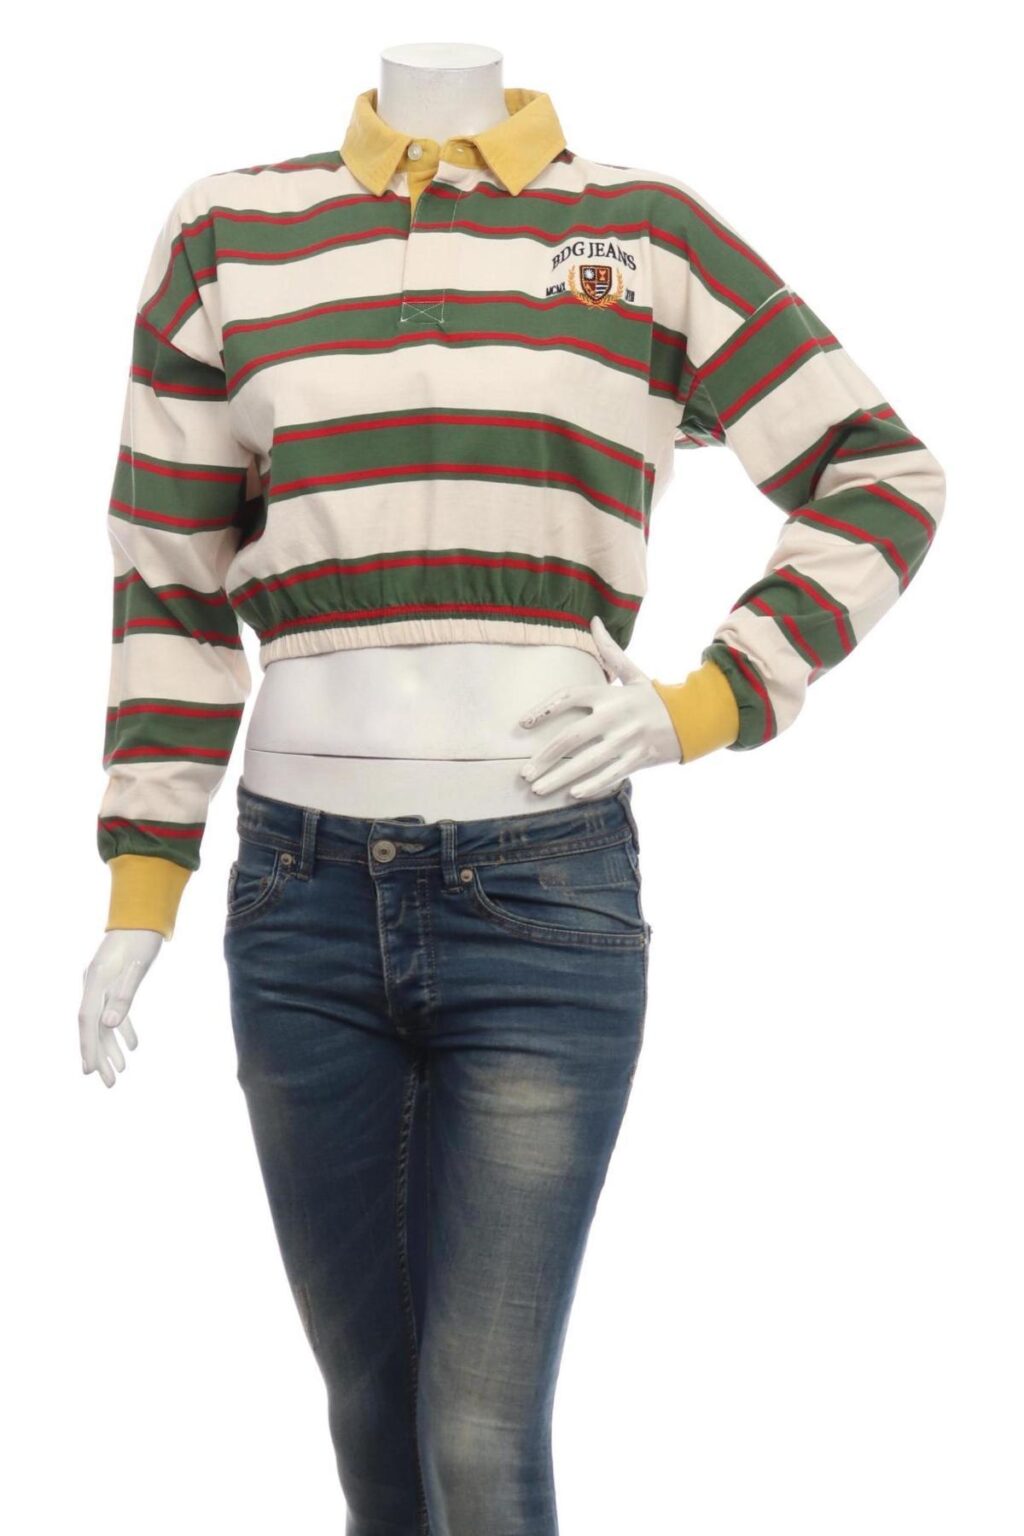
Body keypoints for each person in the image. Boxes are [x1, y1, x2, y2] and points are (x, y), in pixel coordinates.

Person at [79, 41, 945, 1536]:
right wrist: (140, 887)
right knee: (371, 1426)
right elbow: (168, 580)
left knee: (480, 1440)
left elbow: (877, 471)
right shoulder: (229, 229)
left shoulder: (644, 232)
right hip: (296, 903)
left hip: (542, 892)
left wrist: (709, 701)